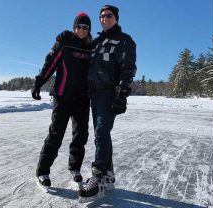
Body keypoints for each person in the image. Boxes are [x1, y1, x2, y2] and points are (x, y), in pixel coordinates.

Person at [79, 5, 137, 199]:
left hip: (109, 92)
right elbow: (78, 47)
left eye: (109, 16)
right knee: (100, 134)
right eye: (102, 16)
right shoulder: (96, 42)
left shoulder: (124, 40)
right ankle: (109, 175)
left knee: (102, 131)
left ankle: (99, 176)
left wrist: (122, 94)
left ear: (116, 18)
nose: (105, 19)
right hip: (94, 94)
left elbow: (128, 68)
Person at [31, 12, 92, 188]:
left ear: (89, 30)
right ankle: (42, 171)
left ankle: (75, 168)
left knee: (81, 135)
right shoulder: (64, 43)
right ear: (74, 27)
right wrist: (39, 83)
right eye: (79, 26)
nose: (81, 30)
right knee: (56, 134)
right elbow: (50, 63)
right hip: (62, 96)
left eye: (85, 27)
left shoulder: (91, 48)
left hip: (82, 98)